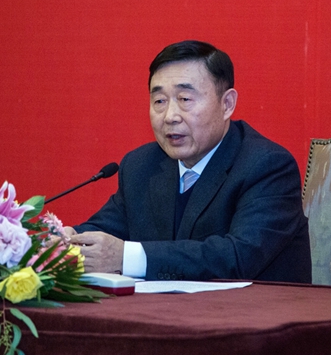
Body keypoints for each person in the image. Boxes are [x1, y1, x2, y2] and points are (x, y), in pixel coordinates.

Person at [66, 40, 311, 283]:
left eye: (185, 99)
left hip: (255, 307)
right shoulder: (141, 165)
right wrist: (67, 240)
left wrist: (126, 258)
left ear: (227, 104)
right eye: (159, 101)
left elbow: (238, 257)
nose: (170, 116)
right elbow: (105, 229)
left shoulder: (267, 166)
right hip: (165, 308)